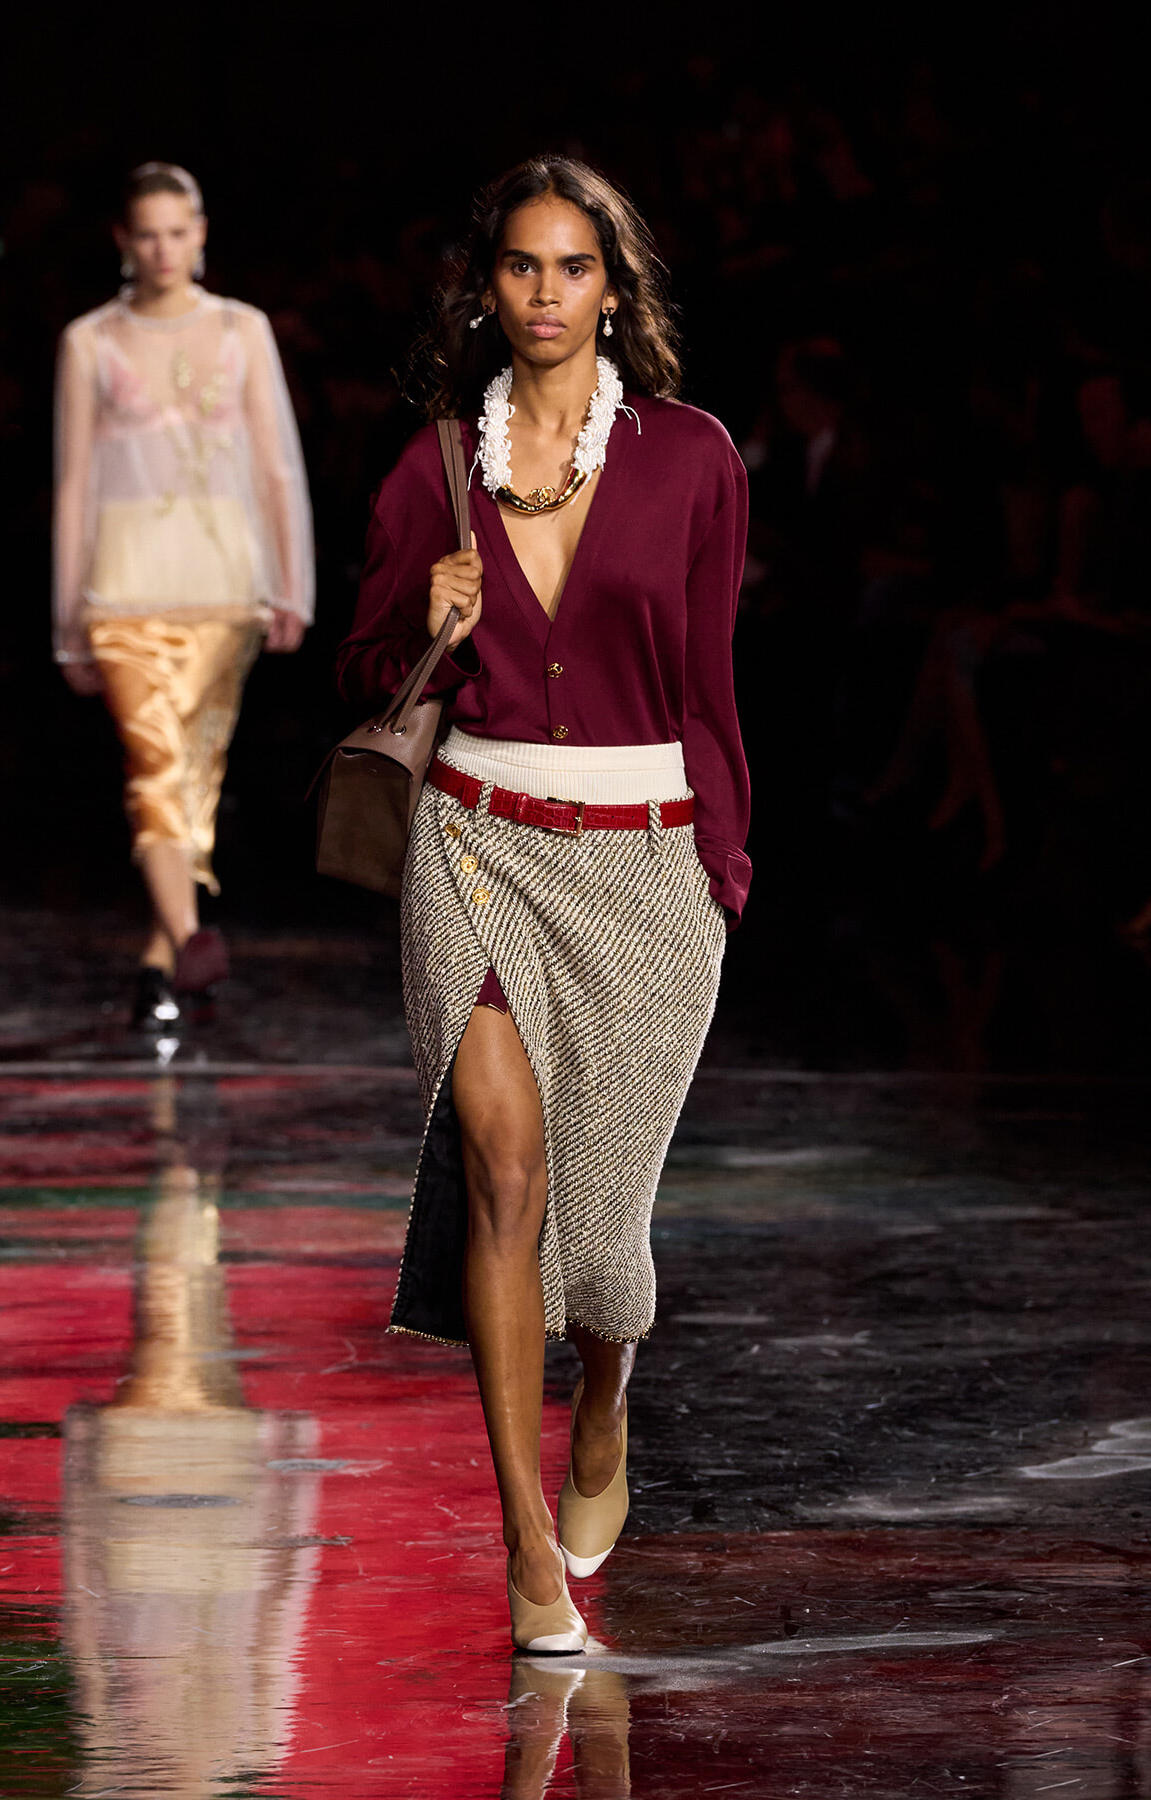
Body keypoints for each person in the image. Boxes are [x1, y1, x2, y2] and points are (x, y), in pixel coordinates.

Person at [339, 156, 750, 1654]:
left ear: (614, 288)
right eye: (520, 266)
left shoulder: (696, 457)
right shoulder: (432, 466)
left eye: (573, 266)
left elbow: (711, 685)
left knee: (603, 1243)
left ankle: (606, 1411)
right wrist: (428, 624)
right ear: (488, 289)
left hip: (647, 864)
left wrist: (722, 873)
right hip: (479, 849)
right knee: (505, 1178)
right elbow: (357, 669)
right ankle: (524, 1551)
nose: (546, 293)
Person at [53, 162, 314, 1027]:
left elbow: (278, 468)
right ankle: (193, 937)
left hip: (227, 583)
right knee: (155, 765)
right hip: (123, 587)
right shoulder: (90, 340)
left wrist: (291, 583)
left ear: (201, 233)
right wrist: (67, 620)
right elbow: (74, 483)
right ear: (124, 242)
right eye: (147, 233)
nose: (165, 248)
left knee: (195, 770)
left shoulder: (244, 330)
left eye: (179, 230)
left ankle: (162, 962)